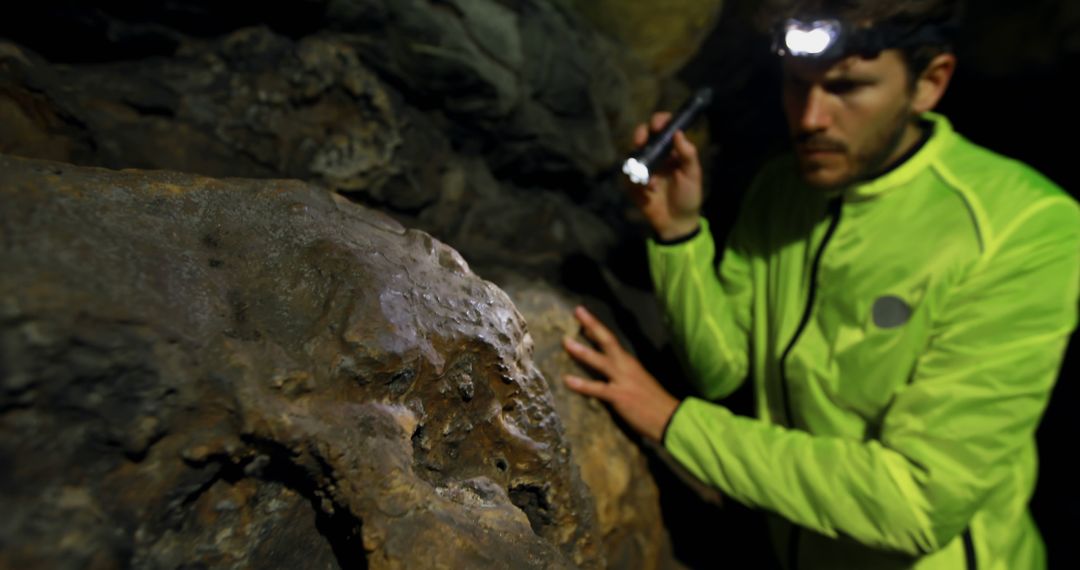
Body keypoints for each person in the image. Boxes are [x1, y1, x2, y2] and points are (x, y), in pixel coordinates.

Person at [560, 1, 1080, 568]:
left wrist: (670, 421)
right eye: (796, 85)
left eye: (847, 88)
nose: (809, 118)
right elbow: (723, 368)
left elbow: (917, 502)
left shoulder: (1025, 229)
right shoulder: (784, 188)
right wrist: (680, 234)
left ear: (930, 83)